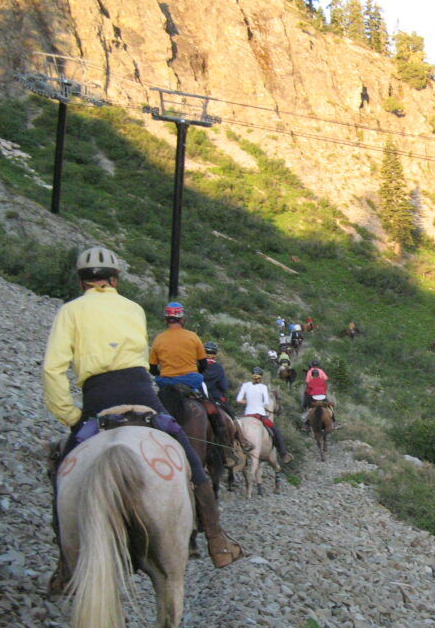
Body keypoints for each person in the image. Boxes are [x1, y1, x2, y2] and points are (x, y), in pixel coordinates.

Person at [42, 247, 243, 579]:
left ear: (82, 282)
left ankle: (65, 563)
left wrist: (70, 416)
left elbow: (53, 370)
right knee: (191, 458)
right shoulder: (133, 309)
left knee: (63, 467)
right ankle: (217, 540)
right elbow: (191, 364)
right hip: (143, 394)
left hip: (98, 397)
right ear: (115, 279)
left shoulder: (70, 311)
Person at [237, 368, 292, 463]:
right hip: (259, 415)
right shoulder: (263, 387)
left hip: (247, 415)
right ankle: (283, 454)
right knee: (276, 431)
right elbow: (266, 402)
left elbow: (238, 400)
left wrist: (248, 401)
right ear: (261, 377)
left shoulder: (245, 385)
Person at [149, 302, 206, 392]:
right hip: (191, 381)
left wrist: (163, 374)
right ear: (182, 319)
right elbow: (203, 364)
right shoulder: (193, 336)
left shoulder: (158, 339)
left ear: (166, 319)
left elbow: (152, 369)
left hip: (166, 382)